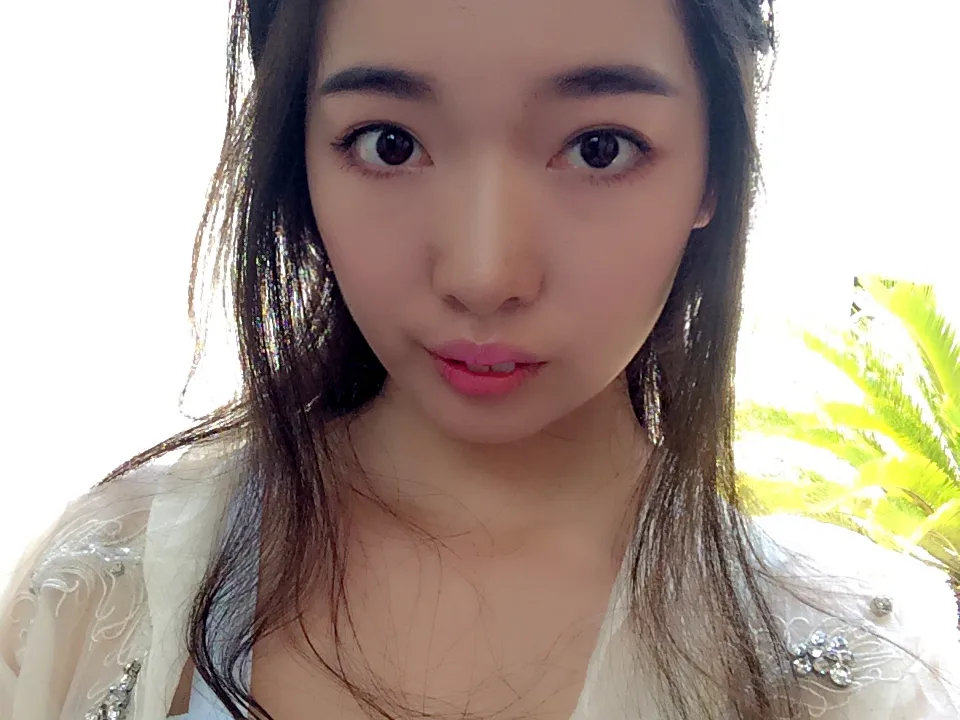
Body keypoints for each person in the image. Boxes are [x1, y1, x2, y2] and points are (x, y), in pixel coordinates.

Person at [1, 0, 957, 718]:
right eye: (389, 143)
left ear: (716, 167)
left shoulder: (867, 672)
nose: (483, 275)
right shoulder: (107, 579)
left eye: (598, 147)